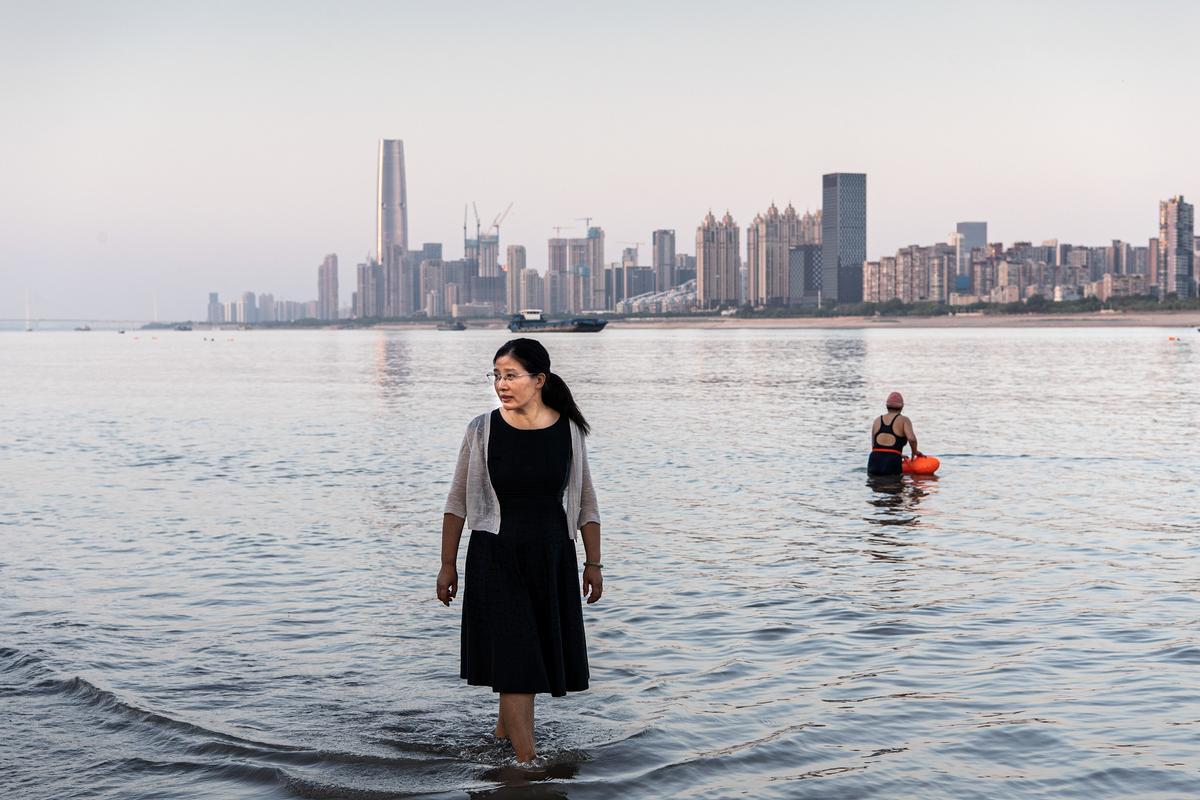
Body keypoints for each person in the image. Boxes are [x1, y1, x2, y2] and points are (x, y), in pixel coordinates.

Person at [438, 337, 603, 763]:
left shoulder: (568, 430)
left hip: (551, 557)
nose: (501, 384)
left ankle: (500, 739)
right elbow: (457, 501)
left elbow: (585, 501)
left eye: (510, 375)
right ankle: (528, 765)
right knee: (518, 666)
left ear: (539, 379)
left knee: (526, 662)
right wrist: (446, 565)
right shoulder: (482, 429)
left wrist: (594, 563)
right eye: (496, 375)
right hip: (496, 557)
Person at [868, 391, 921, 476]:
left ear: (887, 406)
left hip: (874, 461)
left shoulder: (877, 420)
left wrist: (897, 454)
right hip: (892, 461)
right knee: (894, 487)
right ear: (902, 407)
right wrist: (914, 451)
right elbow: (912, 439)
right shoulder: (904, 420)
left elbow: (875, 447)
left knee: (876, 486)